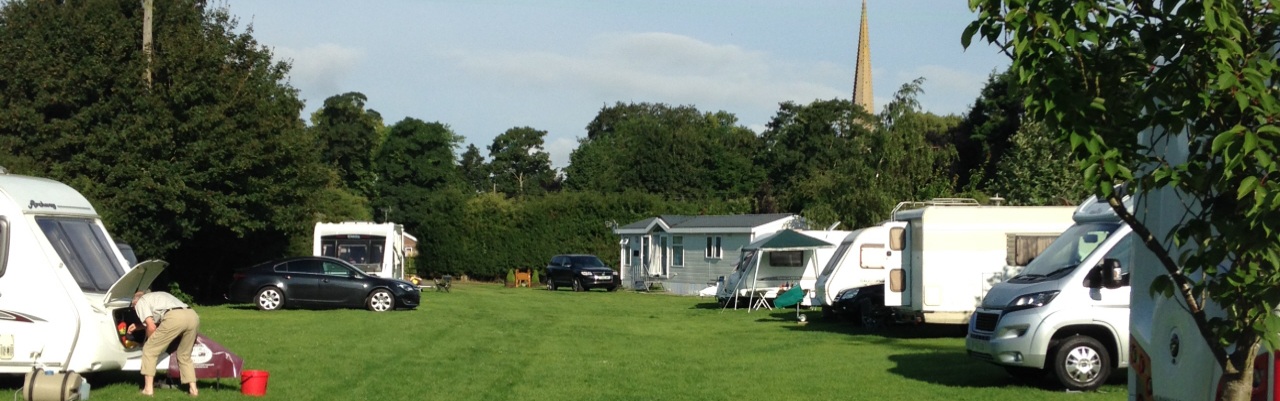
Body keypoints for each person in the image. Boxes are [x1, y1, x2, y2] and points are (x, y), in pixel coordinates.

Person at [130, 290, 200, 397]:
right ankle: (193, 390)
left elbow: (152, 327)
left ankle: (148, 390)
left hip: (174, 318)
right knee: (184, 355)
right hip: (192, 316)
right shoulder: (158, 296)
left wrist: (150, 342)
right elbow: (160, 320)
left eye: (134, 309)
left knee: (149, 350)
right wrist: (139, 326)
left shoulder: (140, 302)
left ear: (135, 303)